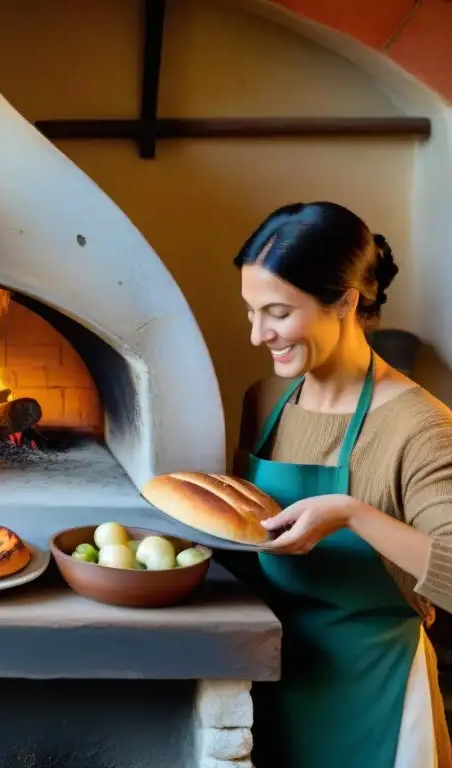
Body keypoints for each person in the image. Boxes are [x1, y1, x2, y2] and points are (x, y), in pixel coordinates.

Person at [229, 201, 452, 768]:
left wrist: (354, 514)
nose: (258, 334)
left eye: (277, 312)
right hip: (269, 684)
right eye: (251, 311)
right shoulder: (264, 400)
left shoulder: (419, 425)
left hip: (373, 697)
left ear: (346, 302)